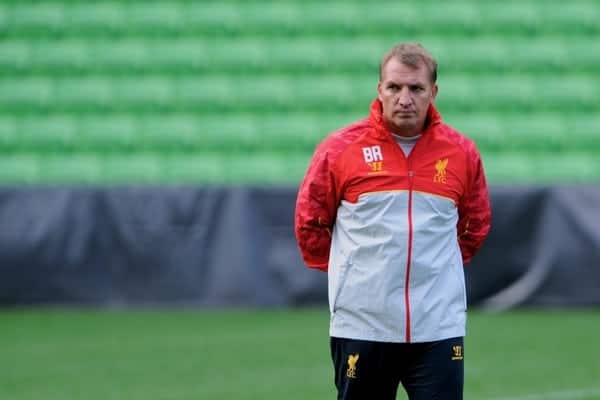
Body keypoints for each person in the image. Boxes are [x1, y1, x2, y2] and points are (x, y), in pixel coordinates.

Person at [294, 42, 491, 399]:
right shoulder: (340, 150)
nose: (404, 98)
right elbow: (310, 222)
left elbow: (474, 226)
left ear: (433, 91)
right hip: (363, 324)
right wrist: (354, 273)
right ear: (379, 90)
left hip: (437, 326)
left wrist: (433, 272)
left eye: (415, 88)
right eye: (394, 87)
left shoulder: (461, 153)